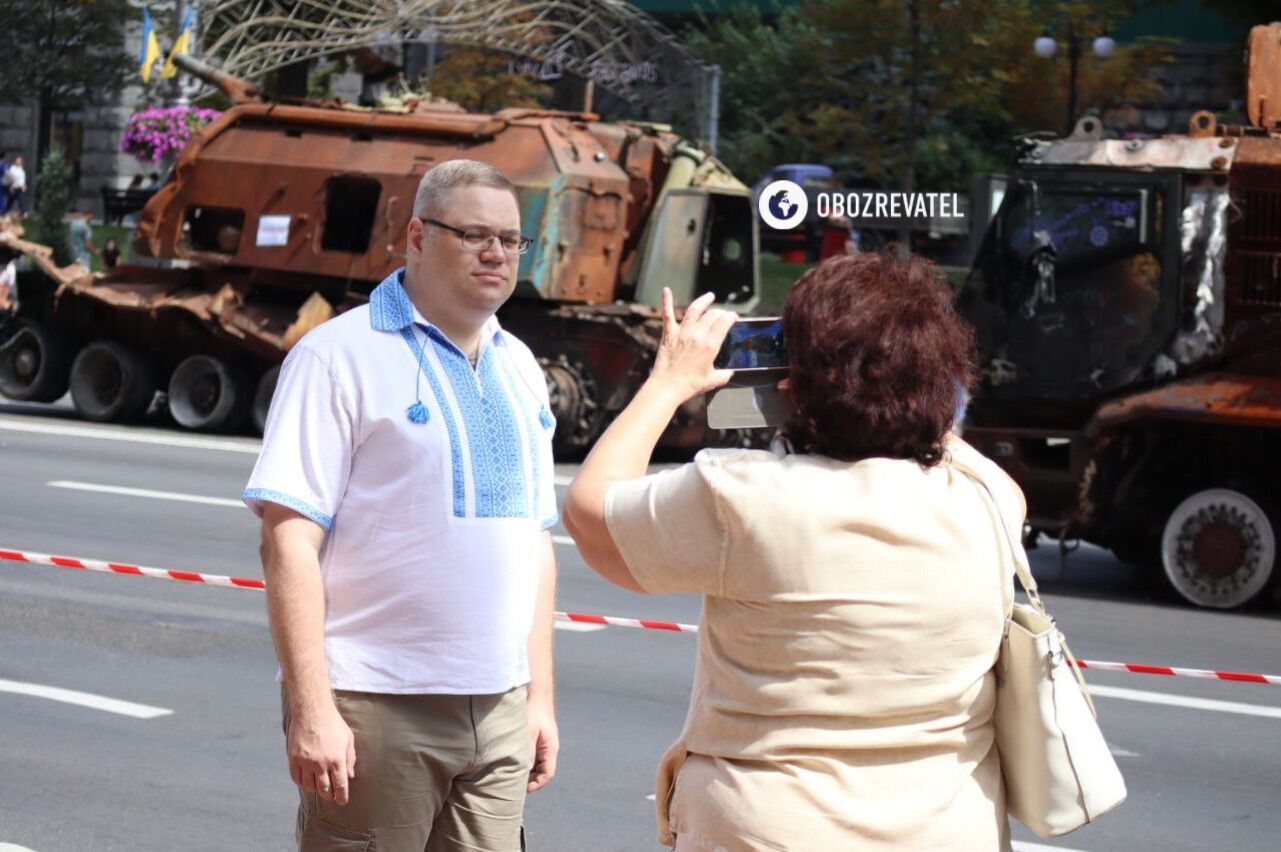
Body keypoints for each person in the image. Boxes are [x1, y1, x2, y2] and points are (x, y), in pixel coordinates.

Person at [564, 252, 1022, 851]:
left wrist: (669, 383)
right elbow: (947, 446)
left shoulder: (743, 496)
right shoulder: (988, 499)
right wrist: (905, 389)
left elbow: (591, 513)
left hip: (772, 828)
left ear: (796, 382)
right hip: (949, 828)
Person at [244, 159, 560, 852]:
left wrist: (538, 698)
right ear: (416, 236)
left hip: (500, 707)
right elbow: (287, 541)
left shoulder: (521, 366)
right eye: (474, 233)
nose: (495, 254)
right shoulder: (337, 357)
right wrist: (311, 708)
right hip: (376, 703)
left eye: (510, 240)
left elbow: (534, 543)